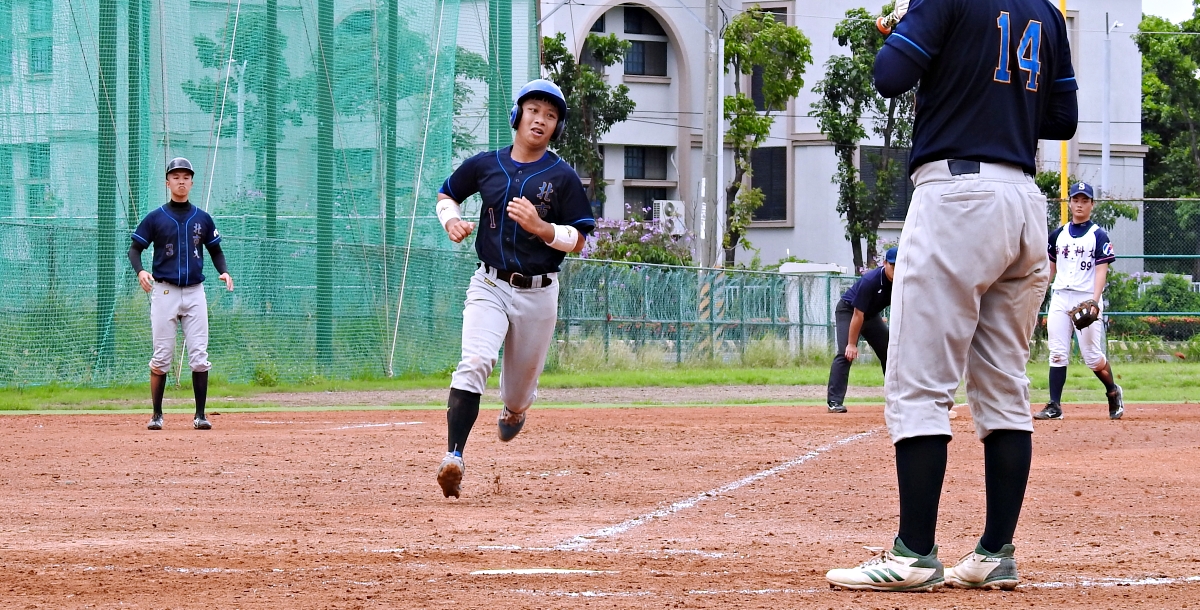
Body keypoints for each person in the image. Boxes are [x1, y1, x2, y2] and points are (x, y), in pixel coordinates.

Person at [825, 0, 1078, 592]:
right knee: (1004, 384)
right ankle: (995, 551)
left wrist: (904, 31)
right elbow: (1061, 120)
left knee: (918, 382)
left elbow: (890, 78)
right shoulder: (1046, 9)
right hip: (1023, 203)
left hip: (957, 197)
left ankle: (914, 553)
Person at [433, 79, 595, 499]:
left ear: (556, 127)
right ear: (518, 115)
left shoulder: (561, 177)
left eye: (551, 115)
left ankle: (516, 409)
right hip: (489, 282)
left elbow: (579, 238)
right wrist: (450, 220)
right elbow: (446, 194)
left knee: (518, 393)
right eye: (535, 110)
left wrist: (542, 228)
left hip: (538, 293)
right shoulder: (486, 164)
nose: (541, 119)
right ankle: (454, 458)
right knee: (474, 361)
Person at [129, 157, 234, 431]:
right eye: (176, 177)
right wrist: (140, 271)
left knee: (199, 355)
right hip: (164, 291)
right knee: (162, 355)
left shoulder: (202, 217)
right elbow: (134, 249)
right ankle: (156, 415)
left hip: (195, 291)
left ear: (192, 182)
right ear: (168, 183)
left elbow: (216, 250)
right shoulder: (156, 217)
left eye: (186, 176)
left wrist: (223, 270)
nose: (181, 181)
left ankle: (200, 415)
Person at [1034, 182, 1122, 421]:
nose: (1080, 204)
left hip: (1086, 298)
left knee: (1092, 357)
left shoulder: (1098, 235)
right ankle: (1054, 406)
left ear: (1092, 204)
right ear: (1069, 203)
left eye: (1085, 200)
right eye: (1076, 200)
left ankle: (1113, 391)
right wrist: (1039, 295)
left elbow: (1101, 271)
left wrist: (1094, 300)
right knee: (1057, 353)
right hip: (1061, 297)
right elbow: (1050, 270)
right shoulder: (1058, 235)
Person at [826, 247, 897, 413]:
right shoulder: (871, 280)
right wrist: (851, 344)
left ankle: (896, 398)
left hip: (871, 316)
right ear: (885, 263)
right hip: (849, 311)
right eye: (893, 266)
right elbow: (858, 314)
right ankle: (834, 402)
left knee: (890, 353)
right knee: (846, 353)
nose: (896, 270)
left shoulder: (903, 280)